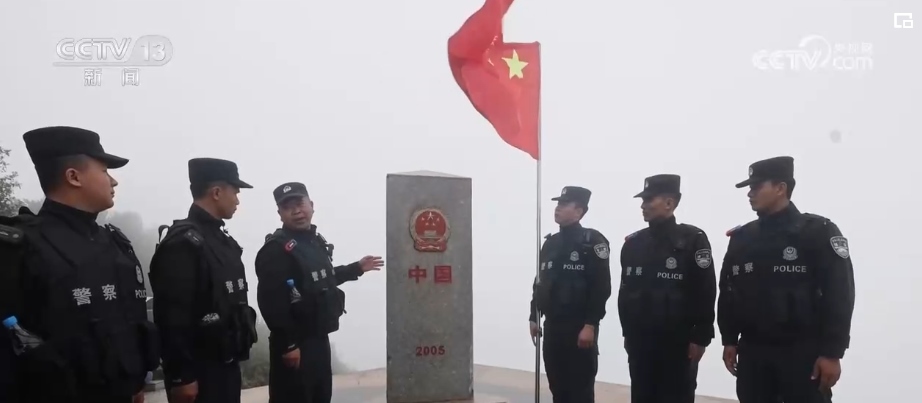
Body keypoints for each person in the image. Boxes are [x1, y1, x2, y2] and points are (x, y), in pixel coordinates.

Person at [0, 126, 157, 403]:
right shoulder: (19, 249)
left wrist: (134, 385)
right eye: (104, 171)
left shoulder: (114, 243)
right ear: (73, 177)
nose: (113, 181)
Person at [717, 156, 855, 403]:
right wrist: (729, 339)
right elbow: (728, 292)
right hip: (753, 355)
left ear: (781, 188)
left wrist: (832, 353)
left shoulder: (817, 232)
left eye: (756, 187)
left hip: (802, 355)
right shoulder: (742, 238)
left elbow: (839, 294)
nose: (750, 193)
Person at [255, 182, 383, 403]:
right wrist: (289, 345)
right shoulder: (276, 249)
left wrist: (356, 268)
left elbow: (322, 279)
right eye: (288, 207)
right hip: (295, 345)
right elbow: (271, 303)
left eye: (300, 204)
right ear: (280, 213)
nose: (296, 211)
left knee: (320, 396)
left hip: (319, 339)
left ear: (311, 205)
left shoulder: (314, 242)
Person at [149, 158, 259, 403]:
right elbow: (172, 316)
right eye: (235, 192)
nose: (237, 200)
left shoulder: (219, 239)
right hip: (200, 373)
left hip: (226, 364)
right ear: (216, 193)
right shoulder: (183, 243)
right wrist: (182, 376)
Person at [618, 174, 716, 403]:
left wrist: (701, 337)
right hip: (641, 344)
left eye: (649, 199)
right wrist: (627, 334)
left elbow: (705, 290)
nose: (643, 205)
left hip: (678, 346)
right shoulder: (633, 244)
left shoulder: (693, 240)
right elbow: (626, 294)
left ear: (670, 202)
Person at [529, 186, 611, 403]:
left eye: (564, 204)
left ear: (579, 211)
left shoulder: (592, 241)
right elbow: (539, 282)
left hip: (579, 328)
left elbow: (601, 287)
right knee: (557, 386)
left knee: (580, 389)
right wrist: (533, 315)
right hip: (553, 327)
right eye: (558, 204)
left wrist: (591, 324)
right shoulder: (550, 243)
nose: (557, 208)